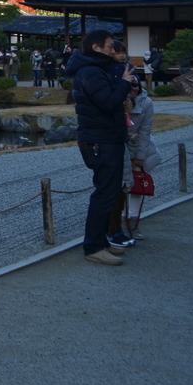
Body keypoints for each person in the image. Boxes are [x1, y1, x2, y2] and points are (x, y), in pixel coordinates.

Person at [66, 29, 136, 266]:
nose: (113, 50)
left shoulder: (97, 70)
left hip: (107, 137)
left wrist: (126, 95)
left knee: (110, 191)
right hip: (100, 139)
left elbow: (112, 100)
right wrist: (125, 84)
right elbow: (107, 102)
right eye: (109, 46)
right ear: (96, 47)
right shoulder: (90, 72)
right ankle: (93, 246)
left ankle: (101, 243)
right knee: (104, 193)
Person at [123, 81, 159, 239]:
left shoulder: (146, 103)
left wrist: (139, 157)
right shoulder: (116, 99)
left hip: (139, 146)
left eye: (136, 84)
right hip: (119, 147)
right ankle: (121, 222)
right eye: (130, 85)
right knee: (122, 187)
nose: (134, 88)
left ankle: (134, 221)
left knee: (137, 186)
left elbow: (145, 130)